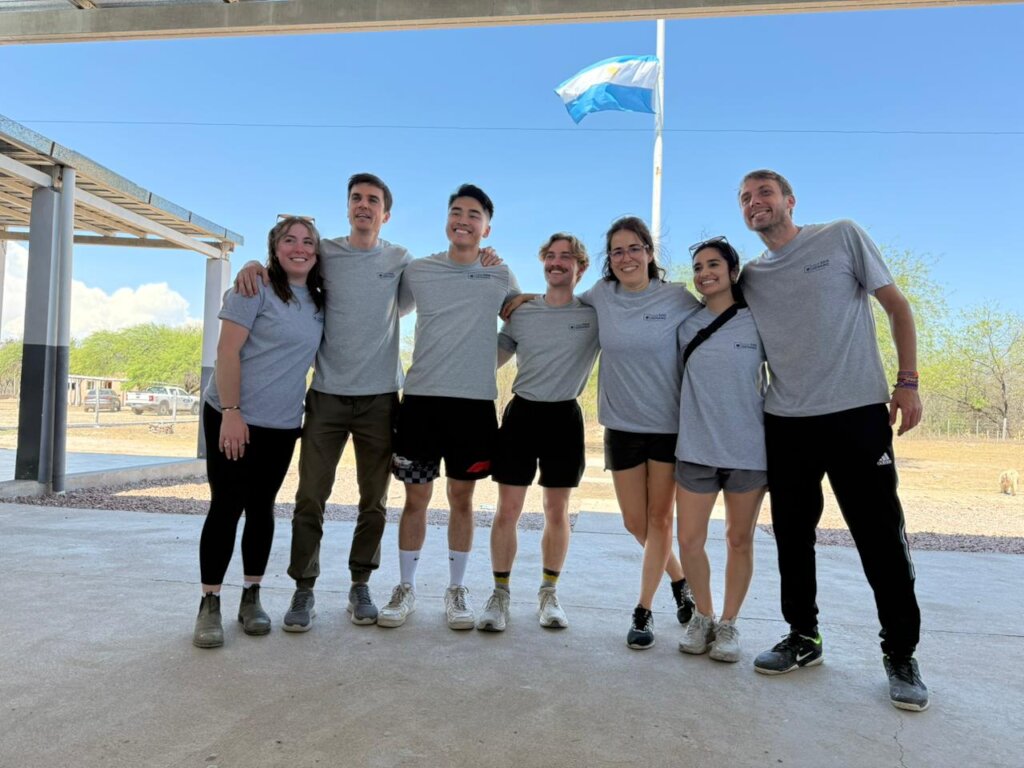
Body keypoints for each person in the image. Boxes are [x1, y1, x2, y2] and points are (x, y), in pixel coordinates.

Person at [235, 174, 501, 633]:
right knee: (310, 498)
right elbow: (290, 260)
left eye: (373, 200)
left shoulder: (401, 260)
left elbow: (462, 291)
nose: (364, 205)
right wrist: (254, 264)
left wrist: (487, 261)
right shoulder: (326, 253)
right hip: (326, 396)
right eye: (356, 198)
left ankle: (361, 585)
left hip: (380, 398)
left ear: (386, 214)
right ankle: (304, 589)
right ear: (347, 207)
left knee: (373, 501)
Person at [737, 169, 928, 711]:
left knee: (880, 537)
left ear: (790, 200)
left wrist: (908, 382)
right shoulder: (751, 276)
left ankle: (901, 654)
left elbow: (898, 307)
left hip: (857, 415)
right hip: (786, 422)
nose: (755, 203)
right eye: (745, 198)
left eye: (764, 193)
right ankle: (804, 636)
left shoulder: (842, 235)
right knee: (792, 538)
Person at [377, 183, 520, 631]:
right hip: (421, 404)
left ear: (486, 227)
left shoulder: (500, 274)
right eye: (456, 211)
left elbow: (519, 327)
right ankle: (405, 588)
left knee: (462, 498)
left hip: (473, 409)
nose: (464, 220)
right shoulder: (419, 270)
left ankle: (456, 590)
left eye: (474, 214)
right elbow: (381, 305)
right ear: (447, 220)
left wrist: (482, 362)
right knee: (415, 499)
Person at [192, 216, 325, 648]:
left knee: (262, 508)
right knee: (226, 506)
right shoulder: (254, 288)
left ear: (317, 252)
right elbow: (226, 350)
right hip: (233, 416)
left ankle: (252, 596)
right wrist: (232, 413)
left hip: (282, 425)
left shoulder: (320, 300)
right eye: (290, 240)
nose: (299, 248)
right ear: (275, 247)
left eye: (308, 241)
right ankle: (209, 602)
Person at [580, 217, 700, 650]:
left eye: (634, 248)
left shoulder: (677, 298)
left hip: (668, 428)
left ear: (649, 252)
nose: (626, 257)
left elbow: (717, 318)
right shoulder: (601, 295)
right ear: (609, 259)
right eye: (617, 250)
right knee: (635, 522)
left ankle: (643, 610)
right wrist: (519, 300)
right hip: (622, 427)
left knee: (659, 519)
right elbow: (560, 305)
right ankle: (680, 581)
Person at [476, 233, 600, 632]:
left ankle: (549, 593)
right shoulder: (522, 313)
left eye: (566, 257)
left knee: (556, 511)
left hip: (565, 417)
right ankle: (500, 595)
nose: (556, 262)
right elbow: (490, 359)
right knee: (507, 510)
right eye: (550, 256)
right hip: (522, 415)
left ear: (581, 267)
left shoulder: (595, 315)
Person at [674, 236, 767, 663]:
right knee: (689, 539)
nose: (704, 273)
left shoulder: (758, 321)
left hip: (748, 451)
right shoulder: (686, 327)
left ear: (732, 272)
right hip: (695, 448)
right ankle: (704, 616)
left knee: (738, 540)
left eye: (713, 264)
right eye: (698, 267)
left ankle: (729, 623)